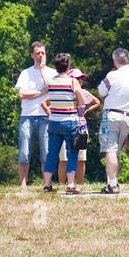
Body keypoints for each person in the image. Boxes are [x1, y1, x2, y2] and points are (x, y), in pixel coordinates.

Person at [97, 47, 129, 194]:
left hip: (112, 116)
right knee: (117, 150)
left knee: (110, 149)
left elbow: (101, 91)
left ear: (114, 61)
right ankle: (118, 180)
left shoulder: (112, 75)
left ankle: (112, 185)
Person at [40, 53, 83, 194]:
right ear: (68, 65)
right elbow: (81, 100)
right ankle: (70, 185)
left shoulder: (51, 81)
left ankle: (47, 184)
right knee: (72, 152)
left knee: (52, 153)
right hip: (69, 121)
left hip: (53, 121)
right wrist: (80, 113)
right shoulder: (72, 81)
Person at [15, 41, 55, 187]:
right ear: (32, 55)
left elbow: (52, 89)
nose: (40, 56)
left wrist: (43, 71)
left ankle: (47, 183)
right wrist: (41, 92)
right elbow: (22, 94)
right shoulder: (25, 73)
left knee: (46, 151)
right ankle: (23, 184)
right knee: (24, 152)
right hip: (27, 115)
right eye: (37, 53)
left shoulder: (52, 73)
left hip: (45, 116)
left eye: (42, 53)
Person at [66, 67, 100, 189]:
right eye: (77, 78)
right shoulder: (65, 93)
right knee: (64, 159)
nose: (80, 81)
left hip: (81, 127)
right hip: (67, 126)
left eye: (81, 79)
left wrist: (87, 111)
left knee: (81, 159)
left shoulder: (84, 92)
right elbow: (47, 102)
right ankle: (63, 183)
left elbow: (97, 102)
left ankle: (79, 184)